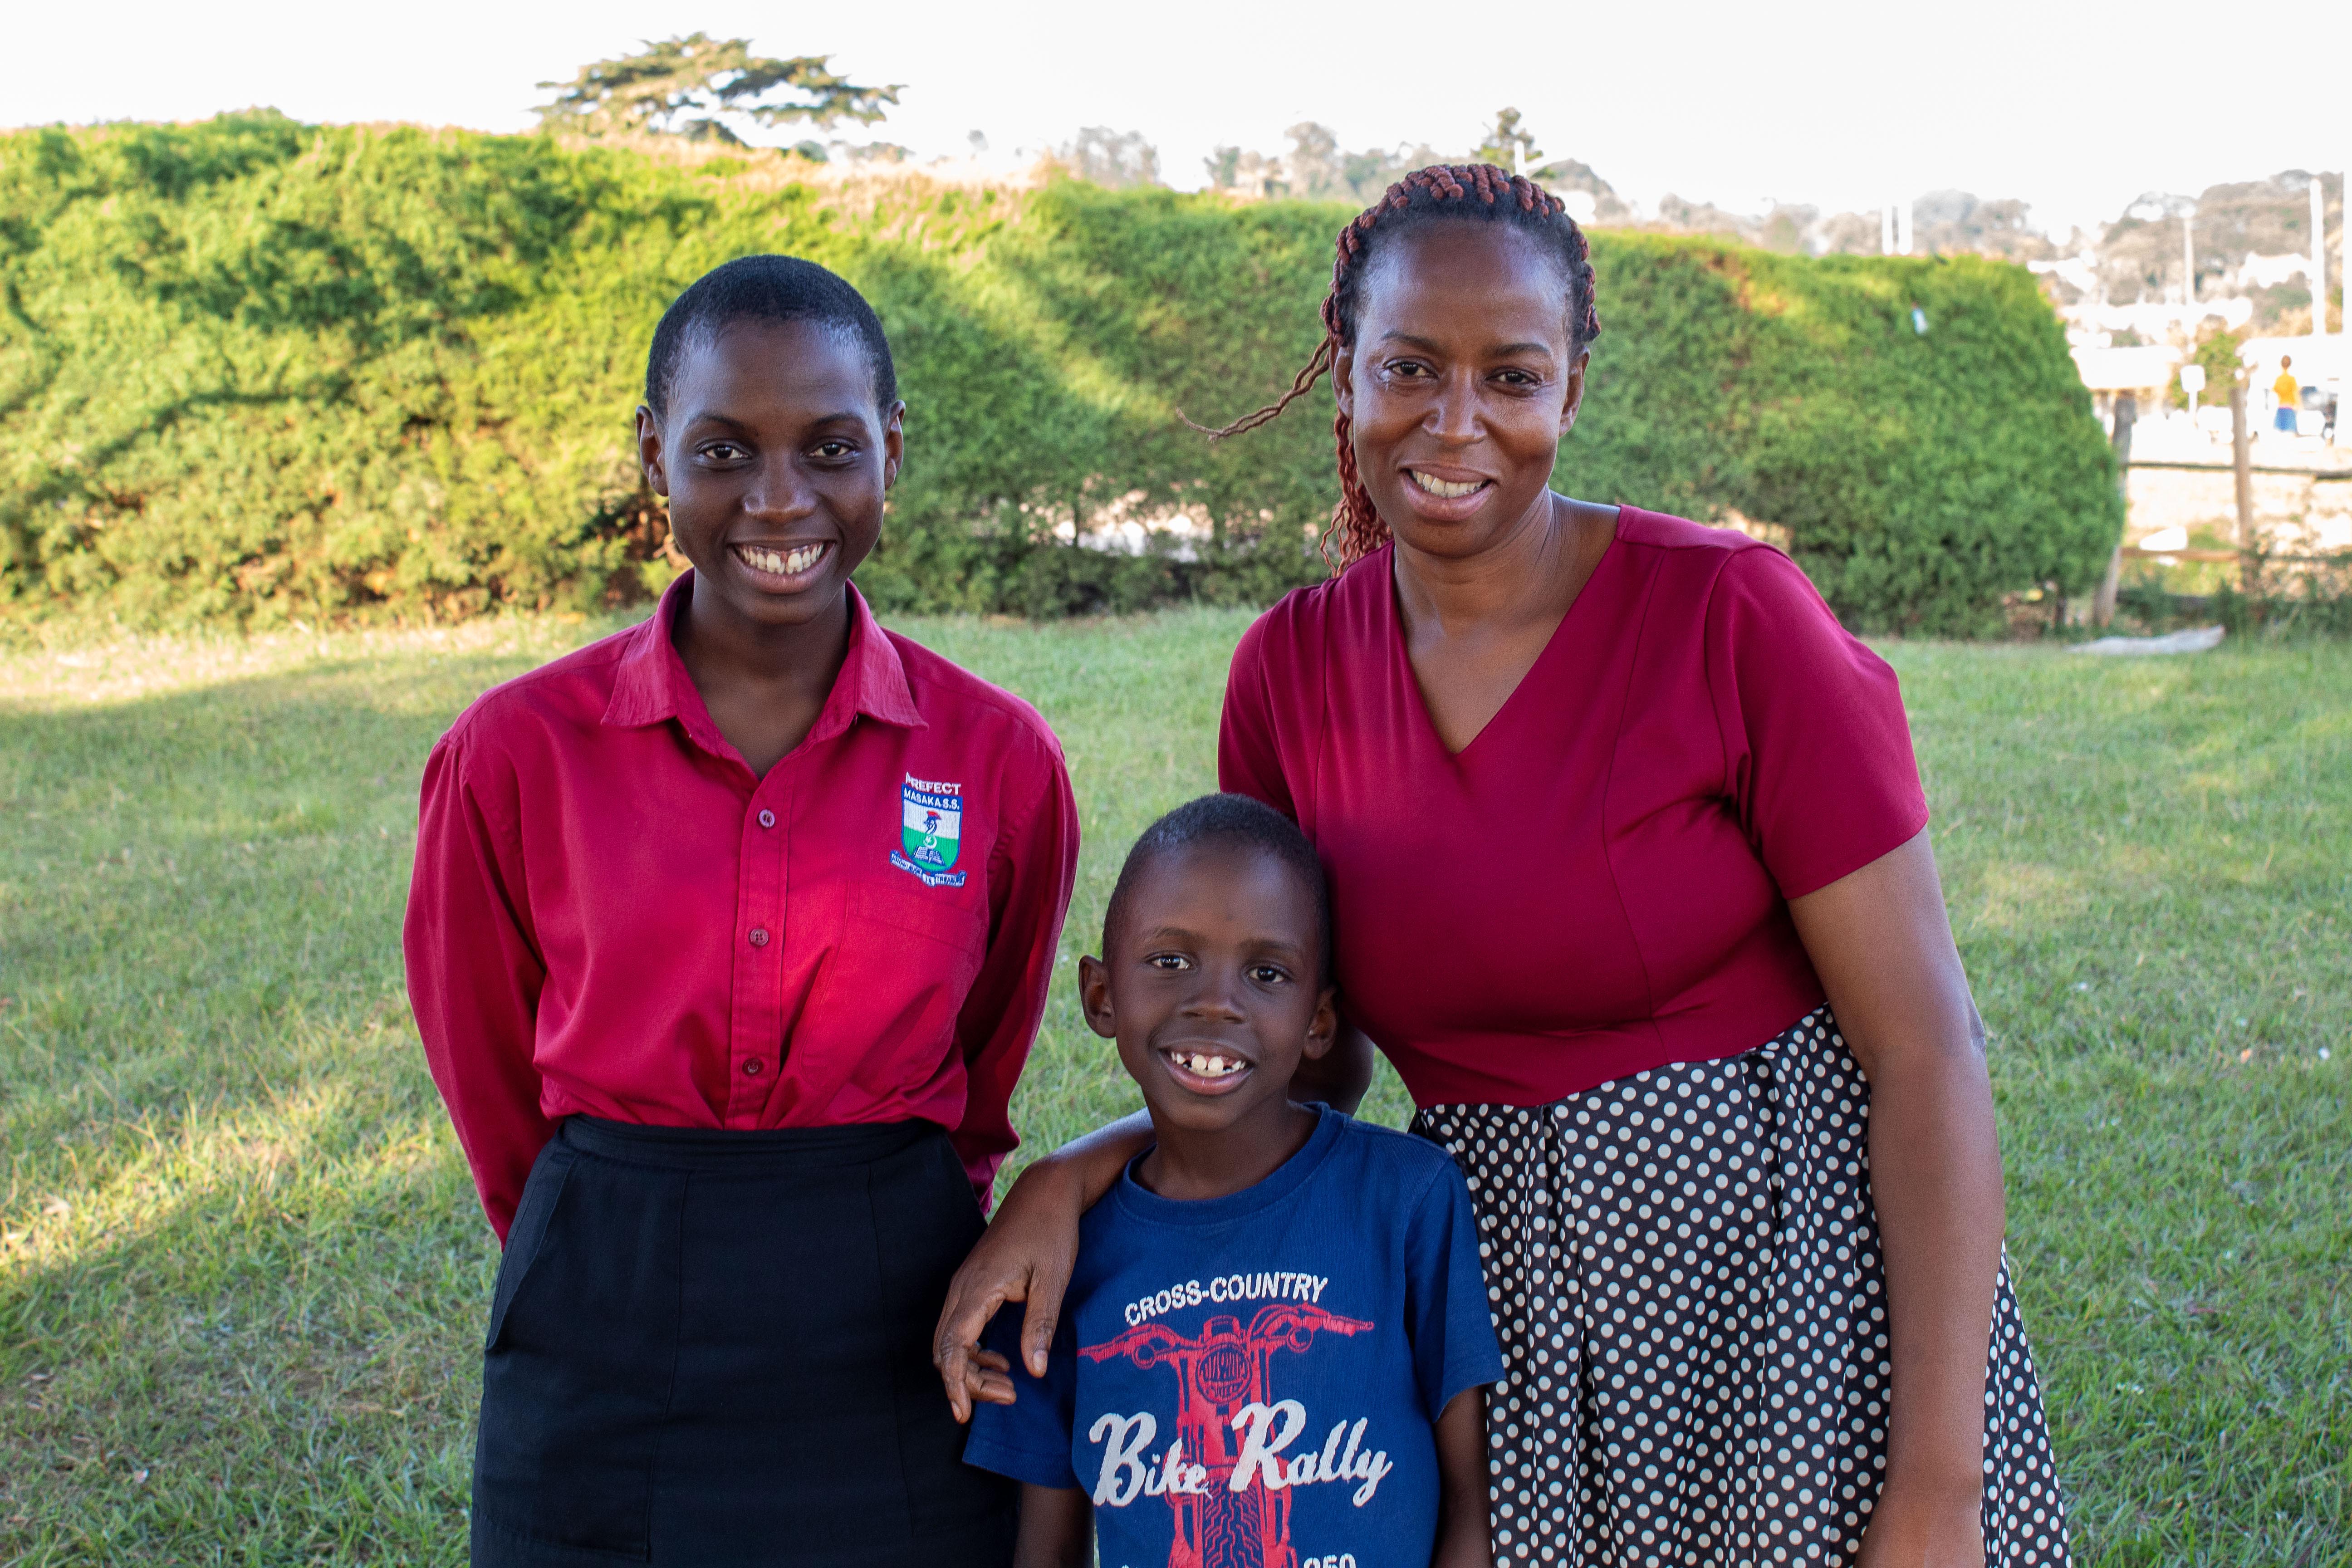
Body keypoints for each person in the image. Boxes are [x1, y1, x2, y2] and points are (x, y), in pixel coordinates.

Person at [935, 166, 2069, 1566]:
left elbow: (1927, 1050)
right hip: (1499, 1316)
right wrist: (1079, 1175)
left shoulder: (1730, 618)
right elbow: (1298, 1060)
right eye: (1410, 367)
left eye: (1511, 377)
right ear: (1346, 377)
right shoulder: (1290, 673)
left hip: (1790, 1298)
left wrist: (1941, 1486)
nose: (1455, 420)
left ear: (1572, 390)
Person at [406, 254, 1078, 1568]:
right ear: (654, 456)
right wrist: (592, 1238)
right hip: (601, 1312)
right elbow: (484, 1061)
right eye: (723, 451)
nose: (779, 498)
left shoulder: (997, 757)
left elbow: (987, 1054)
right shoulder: (514, 752)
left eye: (830, 447)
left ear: (891, 449)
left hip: (897, 1313)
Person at [958, 795, 1503, 1568]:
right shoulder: (1055, 1262)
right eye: (1170, 961)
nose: (1215, 1002)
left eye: (1266, 972)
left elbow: (1473, 1506)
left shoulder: (1408, 1200)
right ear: (1100, 996)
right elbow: (1046, 1548)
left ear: (1319, 1023)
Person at [2274, 355, 2301, 433]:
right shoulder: (2292, 379)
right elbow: (2296, 393)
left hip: (2281, 408)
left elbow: (2275, 391)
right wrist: (2299, 405)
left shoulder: (2279, 379)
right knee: (2290, 433)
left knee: (2280, 433)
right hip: (2290, 408)